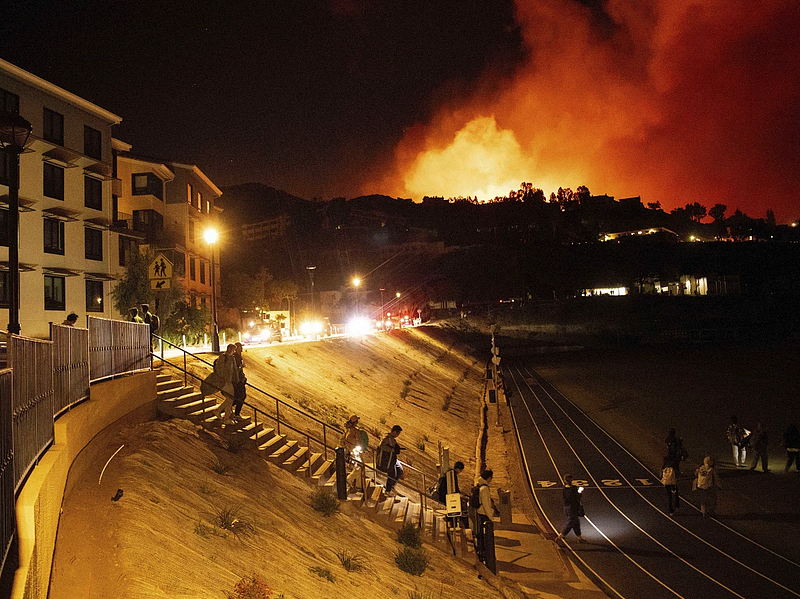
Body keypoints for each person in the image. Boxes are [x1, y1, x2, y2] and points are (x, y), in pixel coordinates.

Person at [211, 344, 240, 427]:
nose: (234, 352)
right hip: (223, 381)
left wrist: (237, 380)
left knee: (230, 399)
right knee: (230, 398)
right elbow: (220, 369)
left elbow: (235, 370)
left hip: (229, 381)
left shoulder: (232, 358)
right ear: (230, 349)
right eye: (233, 350)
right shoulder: (223, 357)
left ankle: (226, 418)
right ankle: (218, 411)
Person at [474, 469, 499, 560]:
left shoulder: (480, 485)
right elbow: (486, 504)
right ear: (488, 478)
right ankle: (486, 554)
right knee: (486, 536)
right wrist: (490, 517)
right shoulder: (484, 488)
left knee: (482, 534)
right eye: (491, 478)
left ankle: (484, 552)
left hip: (481, 513)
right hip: (484, 514)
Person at [556, 474, 586, 543]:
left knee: (576, 522)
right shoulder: (574, 488)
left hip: (566, 507)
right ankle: (560, 536)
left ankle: (579, 537)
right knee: (570, 522)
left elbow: (566, 498)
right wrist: (580, 492)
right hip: (573, 508)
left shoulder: (564, 488)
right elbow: (577, 497)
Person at [377, 425, 403, 495]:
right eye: (398, 433)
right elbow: (382, 446)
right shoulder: (386, 438)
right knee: (392, 475)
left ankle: (391, 487)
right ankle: (388, 491)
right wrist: (392, 449)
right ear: (394, 432)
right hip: (387, 460)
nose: (398, 435)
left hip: (393, 459)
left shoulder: (392, 439)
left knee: (399, 470)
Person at [232, 342, 247, 419]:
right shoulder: (235, 357)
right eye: (240, 347)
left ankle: (235, 412)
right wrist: (241, 367)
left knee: (241, 396)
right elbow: (235, 369)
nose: (241, 349)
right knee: (240, 396)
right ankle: (226, 409)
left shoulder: (239, 357)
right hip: (236, 381)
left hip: (240, 380)